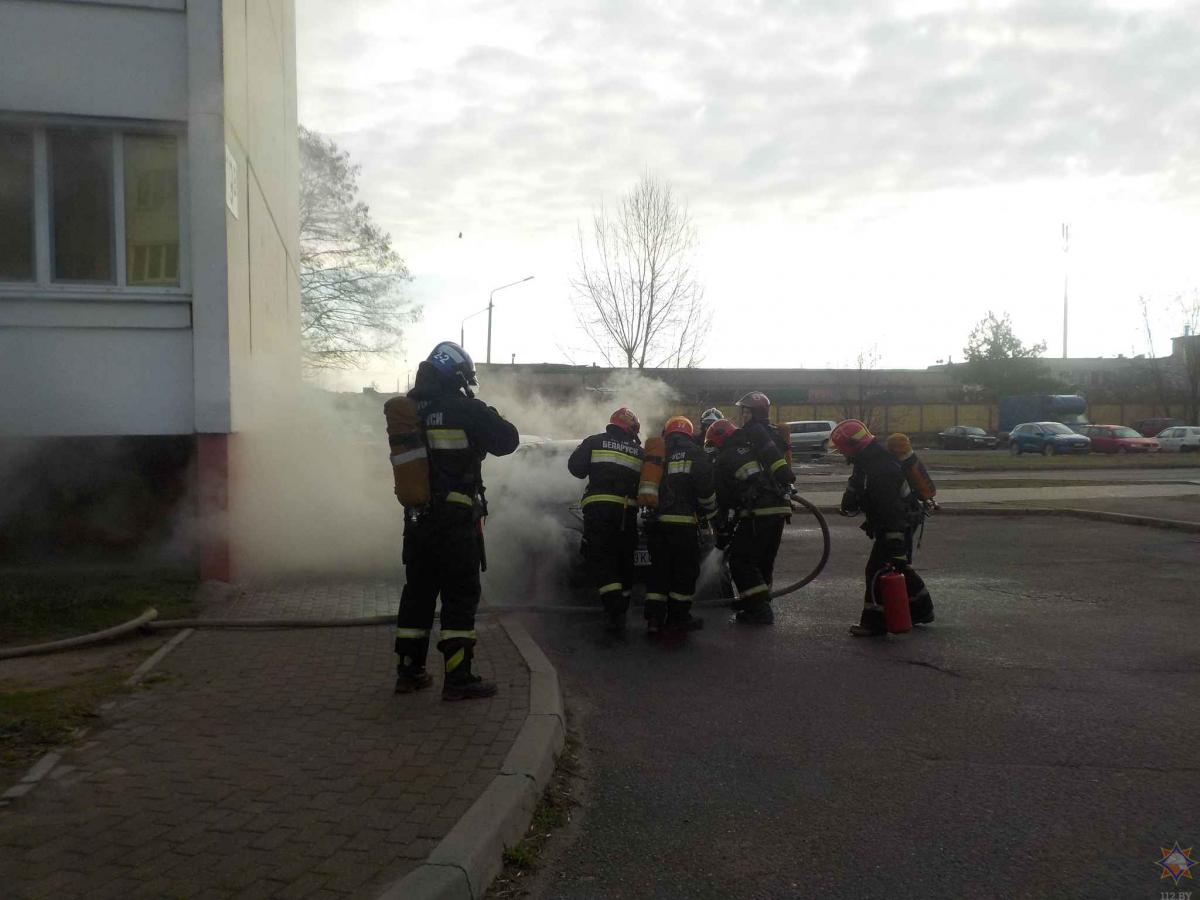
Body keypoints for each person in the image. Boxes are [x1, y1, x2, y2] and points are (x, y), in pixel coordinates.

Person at [394, 341, 520, 699]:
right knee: (459, 598)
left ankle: (408, 672)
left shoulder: (410, 409)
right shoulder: (465, 409)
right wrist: (487, 411)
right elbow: (508, 441)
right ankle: (458, 677)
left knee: (417, 595)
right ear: (456, 375)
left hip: (417, 522)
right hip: (456, 523)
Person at [831, 419, 934, 637]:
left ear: (853, 446)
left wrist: (895, 542)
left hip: (898, 522)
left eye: (842, 449)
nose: (841, 454)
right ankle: (922, 610)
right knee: (898, 566)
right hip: (899, 519)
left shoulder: (881, 469)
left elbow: (891, 510)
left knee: (877, 569)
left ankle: (874, 622)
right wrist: (850, 500)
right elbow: (858, 487)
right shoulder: (867, 460)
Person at [707, 408, 794, 625]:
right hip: (780, 509)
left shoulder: (724, 458)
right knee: (763, 560)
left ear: (719, 440)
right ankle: (757, 602)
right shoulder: (755, 448)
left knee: (741, 560)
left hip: (758, 512)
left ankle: (759, 610)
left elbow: (723, 500)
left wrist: (722, 530)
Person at [568, 407, 644, 633]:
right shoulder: (639, 452)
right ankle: (622, 606)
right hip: (626, 513)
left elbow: (576, 469)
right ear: (631, 428)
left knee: (601, 558)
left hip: (598, 510)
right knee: (624, 559)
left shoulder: (594, 441)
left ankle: (614, 607)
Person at [643, 416, 718, 634]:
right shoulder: (696, 453)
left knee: (659, 572)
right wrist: (712, 514)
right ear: (689, 433)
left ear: (666, 433)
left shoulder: (656, 454)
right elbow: (705, 491)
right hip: (684, 527)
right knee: (684, 573)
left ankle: (654, 620)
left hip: (656, 526)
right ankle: (678, 618)